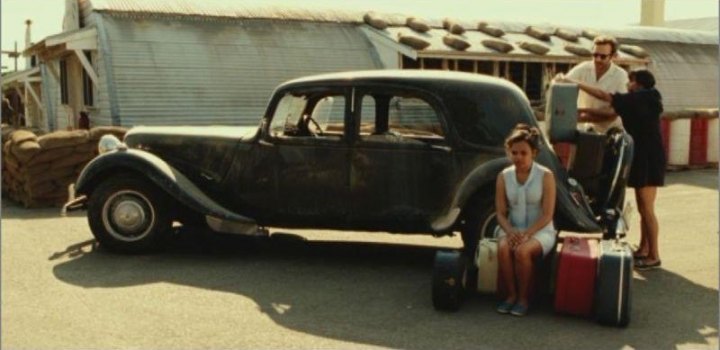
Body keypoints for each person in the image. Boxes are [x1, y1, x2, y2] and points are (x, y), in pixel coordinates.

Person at [560, 69, 665, 270]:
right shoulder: (645, 98)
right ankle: (644, 249)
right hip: (646, 155)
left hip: (648, 157)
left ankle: (654, 255)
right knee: (644, 207)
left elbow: (603, 96)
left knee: (647, 208)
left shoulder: (640, 97)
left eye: (630, 81)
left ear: (637, 83)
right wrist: (579, 114)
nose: (627, 85)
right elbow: (609, 113)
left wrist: (573, 82)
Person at [495, 124, 557, 316]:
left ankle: (524, 298)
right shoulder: (503, 176)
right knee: (504, 247)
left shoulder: (546, 175)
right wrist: (511, 231)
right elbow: (500, 213)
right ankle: (511, 296)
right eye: (514, 152)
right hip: (512, 229)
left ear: (534, 153)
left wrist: (526, 234)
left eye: (523, 153)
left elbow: (547, 215)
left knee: (522, 251)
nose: (518, 157)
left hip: (541, 230)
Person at [564, 35, 629, 134]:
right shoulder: (583, 68)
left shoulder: (621, 76)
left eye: (603, 56)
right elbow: (562, 83)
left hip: (611, 133)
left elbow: (613, 114)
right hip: (585, 131)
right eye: (595, 55)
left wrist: (580, 113)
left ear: (613, 56)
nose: (598, 59)